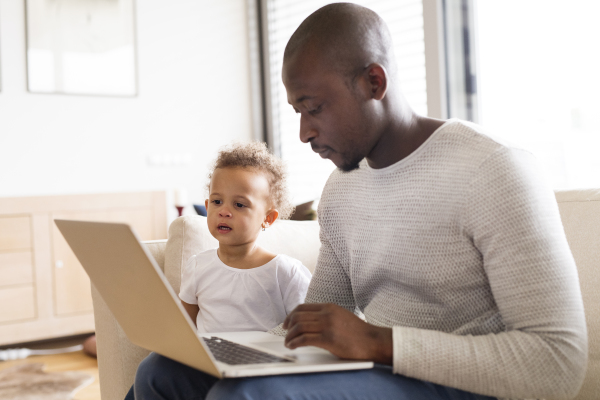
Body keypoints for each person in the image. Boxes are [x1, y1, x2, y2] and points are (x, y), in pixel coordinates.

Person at [131, 3, 588, 400]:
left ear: (373, 81)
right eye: (297, 113)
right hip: (380, 373)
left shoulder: (494, 170)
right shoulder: (343, 189)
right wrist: (236, 351)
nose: (304, 133)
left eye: (314, 108)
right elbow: (322, 315)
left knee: (252, 396)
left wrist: (379, 342)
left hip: (465, 390)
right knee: (162, 373)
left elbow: (559, 360)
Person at [127, 142, 311, 399]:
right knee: (150, 370)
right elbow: (184, 324)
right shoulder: (199, 265)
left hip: (260, 370)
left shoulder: (286, 272)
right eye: (217, 201)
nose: (224, 211)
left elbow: (308, 329)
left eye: (239, 205)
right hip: (207, 365)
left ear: (267, 218)